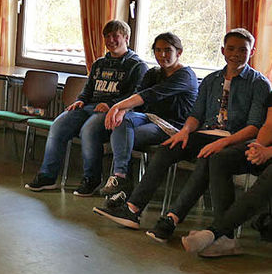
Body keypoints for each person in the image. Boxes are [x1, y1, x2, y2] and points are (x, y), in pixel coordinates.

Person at [94, 29, 271, 241]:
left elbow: (253, 127)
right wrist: (185, 131)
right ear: (223, 50)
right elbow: (196, 115)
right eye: (231, 49)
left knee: (208, 158)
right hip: (205, 133)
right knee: (167, 148)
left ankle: (171, 218)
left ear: (251, 52)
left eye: (243, 50)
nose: (236, 54)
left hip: (234, 138)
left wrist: (222, 142)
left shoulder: (259, 84)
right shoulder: (211, 79)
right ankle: (132, 209)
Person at [26, 20, 146, 195]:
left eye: (115, 36)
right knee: (59, 125)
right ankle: (47, 176)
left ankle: (92, 179)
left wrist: (112, 105)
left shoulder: (137, 66)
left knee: (89, 130)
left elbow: (136, 95)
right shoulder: (99, 63)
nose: (111, 40)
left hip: (115, 111)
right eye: (107, 36)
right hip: (90, 106)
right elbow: (88, 88)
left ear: (126, 38)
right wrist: (80, 100)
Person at [93, 32, 198, 199]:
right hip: (148, 118)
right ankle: (120, 178)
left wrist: (117, 107)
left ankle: (122, 185)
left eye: (167, 50)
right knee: (120, 124)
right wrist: (122, 111)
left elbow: (151, 94)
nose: (162, 55)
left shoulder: (186, 75)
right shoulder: (154, 73)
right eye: (158, 50)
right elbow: (138, 94)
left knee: (124, 138)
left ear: (179, 52)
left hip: (172, 126)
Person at [182, 93, 272, 257]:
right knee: (220, 159)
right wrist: (258, 147)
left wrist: (268, 152)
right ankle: (227, 239)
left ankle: (215, 232)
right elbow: (269, 125)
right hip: (266, 151)